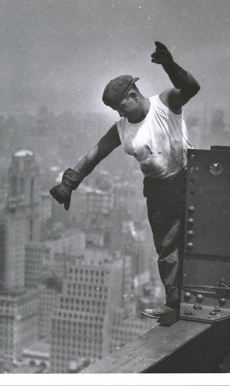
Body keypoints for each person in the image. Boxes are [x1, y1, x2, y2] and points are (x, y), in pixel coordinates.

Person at [50, 41, 200, 319]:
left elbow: (191, 88)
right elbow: (95, 153)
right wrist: (69, 182)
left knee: (202, 237)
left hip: (190, 180)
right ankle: (174, 303)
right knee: (167, 247)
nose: (121, 114)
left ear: (134, 94)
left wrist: (170, 66)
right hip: (159, 190)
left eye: (122, 106)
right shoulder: (121, 129)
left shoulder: (164, 104)